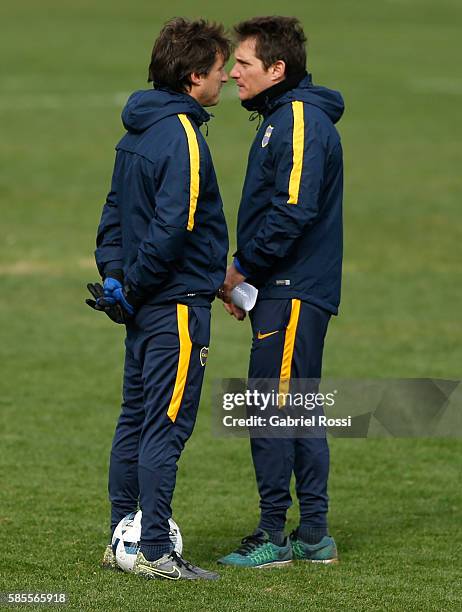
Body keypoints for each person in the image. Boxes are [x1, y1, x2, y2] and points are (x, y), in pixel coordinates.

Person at [86, 18, 230, 580]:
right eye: (220, 71)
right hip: (175, 305)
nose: (226, 82)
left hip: (143, 305)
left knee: (135, 419)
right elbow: (177, 226)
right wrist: (141, 285)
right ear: (196, 76)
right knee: (165, 426)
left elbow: (112, 217)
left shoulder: (136, 132)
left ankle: (123, 536)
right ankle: (153, 549)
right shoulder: (184, 136)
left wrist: (118, 280)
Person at [217, 16, 344, 567]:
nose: (231, 75)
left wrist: (244, 267)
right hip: (291, 285)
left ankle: (276, 535)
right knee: (297, 409)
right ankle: (314, 534)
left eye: (242, 64)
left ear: (277, 69)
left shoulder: (296, 118)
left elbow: (294, 208)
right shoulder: (284, 116)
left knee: (269, 408)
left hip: (291, 287)